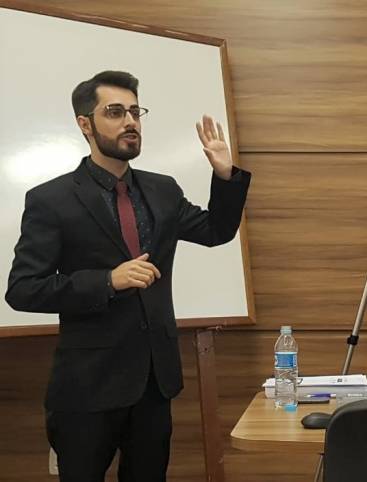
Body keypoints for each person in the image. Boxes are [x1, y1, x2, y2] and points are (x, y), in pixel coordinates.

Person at [5, 71, 251, 482]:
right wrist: (106, 281)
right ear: (85, 124)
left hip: (154, 383)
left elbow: (216, 232)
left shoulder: (162, 190)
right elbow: (23, 289)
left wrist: (225, 175)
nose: (130, 122)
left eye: (135, 112)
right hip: (87, 389)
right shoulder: (51, 199)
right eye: (115, 112)